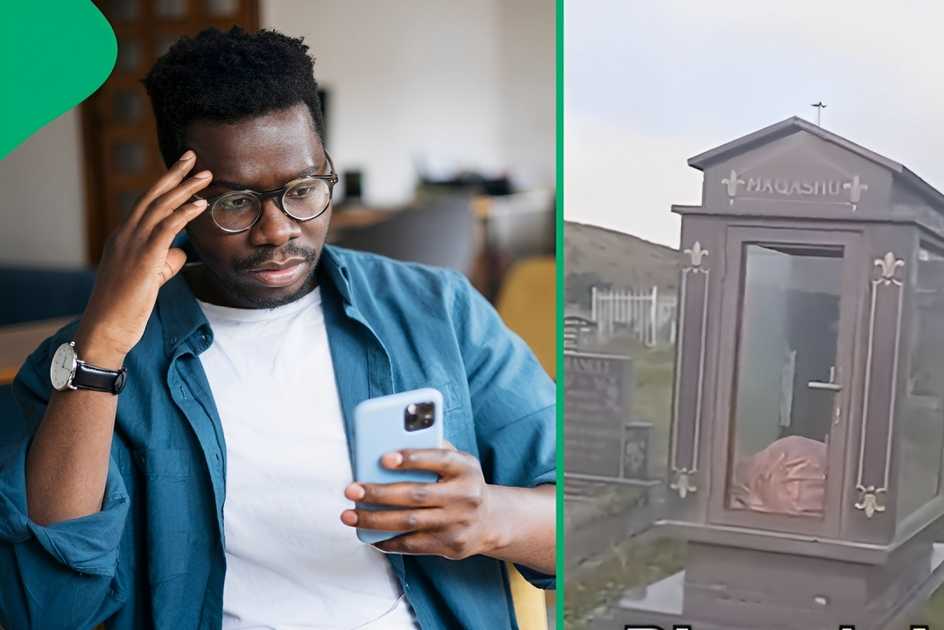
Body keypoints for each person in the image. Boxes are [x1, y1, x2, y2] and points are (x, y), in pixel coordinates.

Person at [0, 27, 555, 630]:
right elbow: (42, 609)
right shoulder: (84, 361)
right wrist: (102, 348)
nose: (278, 230)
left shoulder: (437, 310)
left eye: (303, 189)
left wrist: (487, 516)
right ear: (175, 199)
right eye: (236, 202)